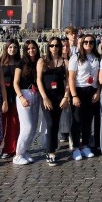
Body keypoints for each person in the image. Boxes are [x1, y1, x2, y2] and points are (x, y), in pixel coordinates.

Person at [37, 36, 70, 166]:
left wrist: (66, 97)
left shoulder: (64, 62)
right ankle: (50, 152)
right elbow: (39, 80)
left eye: (57, 45)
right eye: (52, 45)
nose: (54, 48)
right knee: (50, 123)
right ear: (48, 46)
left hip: (59, 96)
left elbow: (68, 82)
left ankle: (53, 145)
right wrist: (44, 97)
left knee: (56, 123)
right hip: (47, 96)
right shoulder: (42, 61)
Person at [68, 34, 101, 161]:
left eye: (91, 42)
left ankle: (85, 145)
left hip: (91, 90)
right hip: (79, 90)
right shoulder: (75, 57)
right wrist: (74, 95)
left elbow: (98, 77)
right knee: (77, 120)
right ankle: (75, 147)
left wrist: (97, 91)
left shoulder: (97, 57)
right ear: (82, 44)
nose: (88, 44)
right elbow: (71, 78)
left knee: (88, 119)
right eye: (86, 42)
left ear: (94, 43)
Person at [0, 39, 21, 159]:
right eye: (10, 47)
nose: (12, 50)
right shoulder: (0, 62)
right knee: (0, 124)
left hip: (15, 94)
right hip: (2, 94)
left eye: (14, 47)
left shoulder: (20, 62)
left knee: (14, 123)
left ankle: (9, 149)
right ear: (6, 48)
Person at [13, 40, 41, 165]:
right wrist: (21, 97)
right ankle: (18, 155)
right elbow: (15, 82)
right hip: (24, 94)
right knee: (27, 127)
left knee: (34, 126)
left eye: (33, 48)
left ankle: (24, 151)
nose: (31, 50)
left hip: (35, 95)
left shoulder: (39, 61)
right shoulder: (21, 62)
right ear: (25, 49)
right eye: (29, 48)